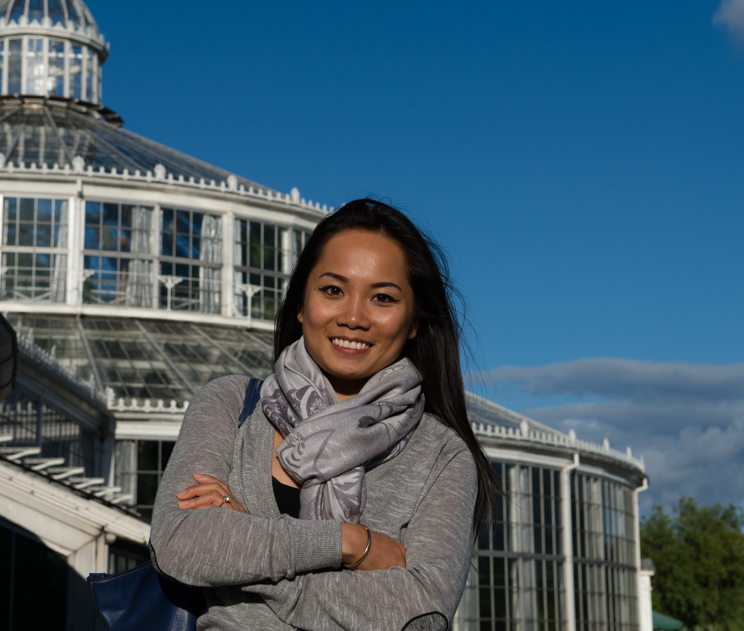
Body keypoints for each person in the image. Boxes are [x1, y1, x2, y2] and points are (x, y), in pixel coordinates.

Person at [150, 198, 497, 630]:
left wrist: (248, 541)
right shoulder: (231, 405)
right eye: (333, 290)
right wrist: (349, 544)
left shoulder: (442, 455)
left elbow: (418, 615)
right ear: (300, 304)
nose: (353, 317)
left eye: (383, 298)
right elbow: (179, 542)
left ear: (413, 323)